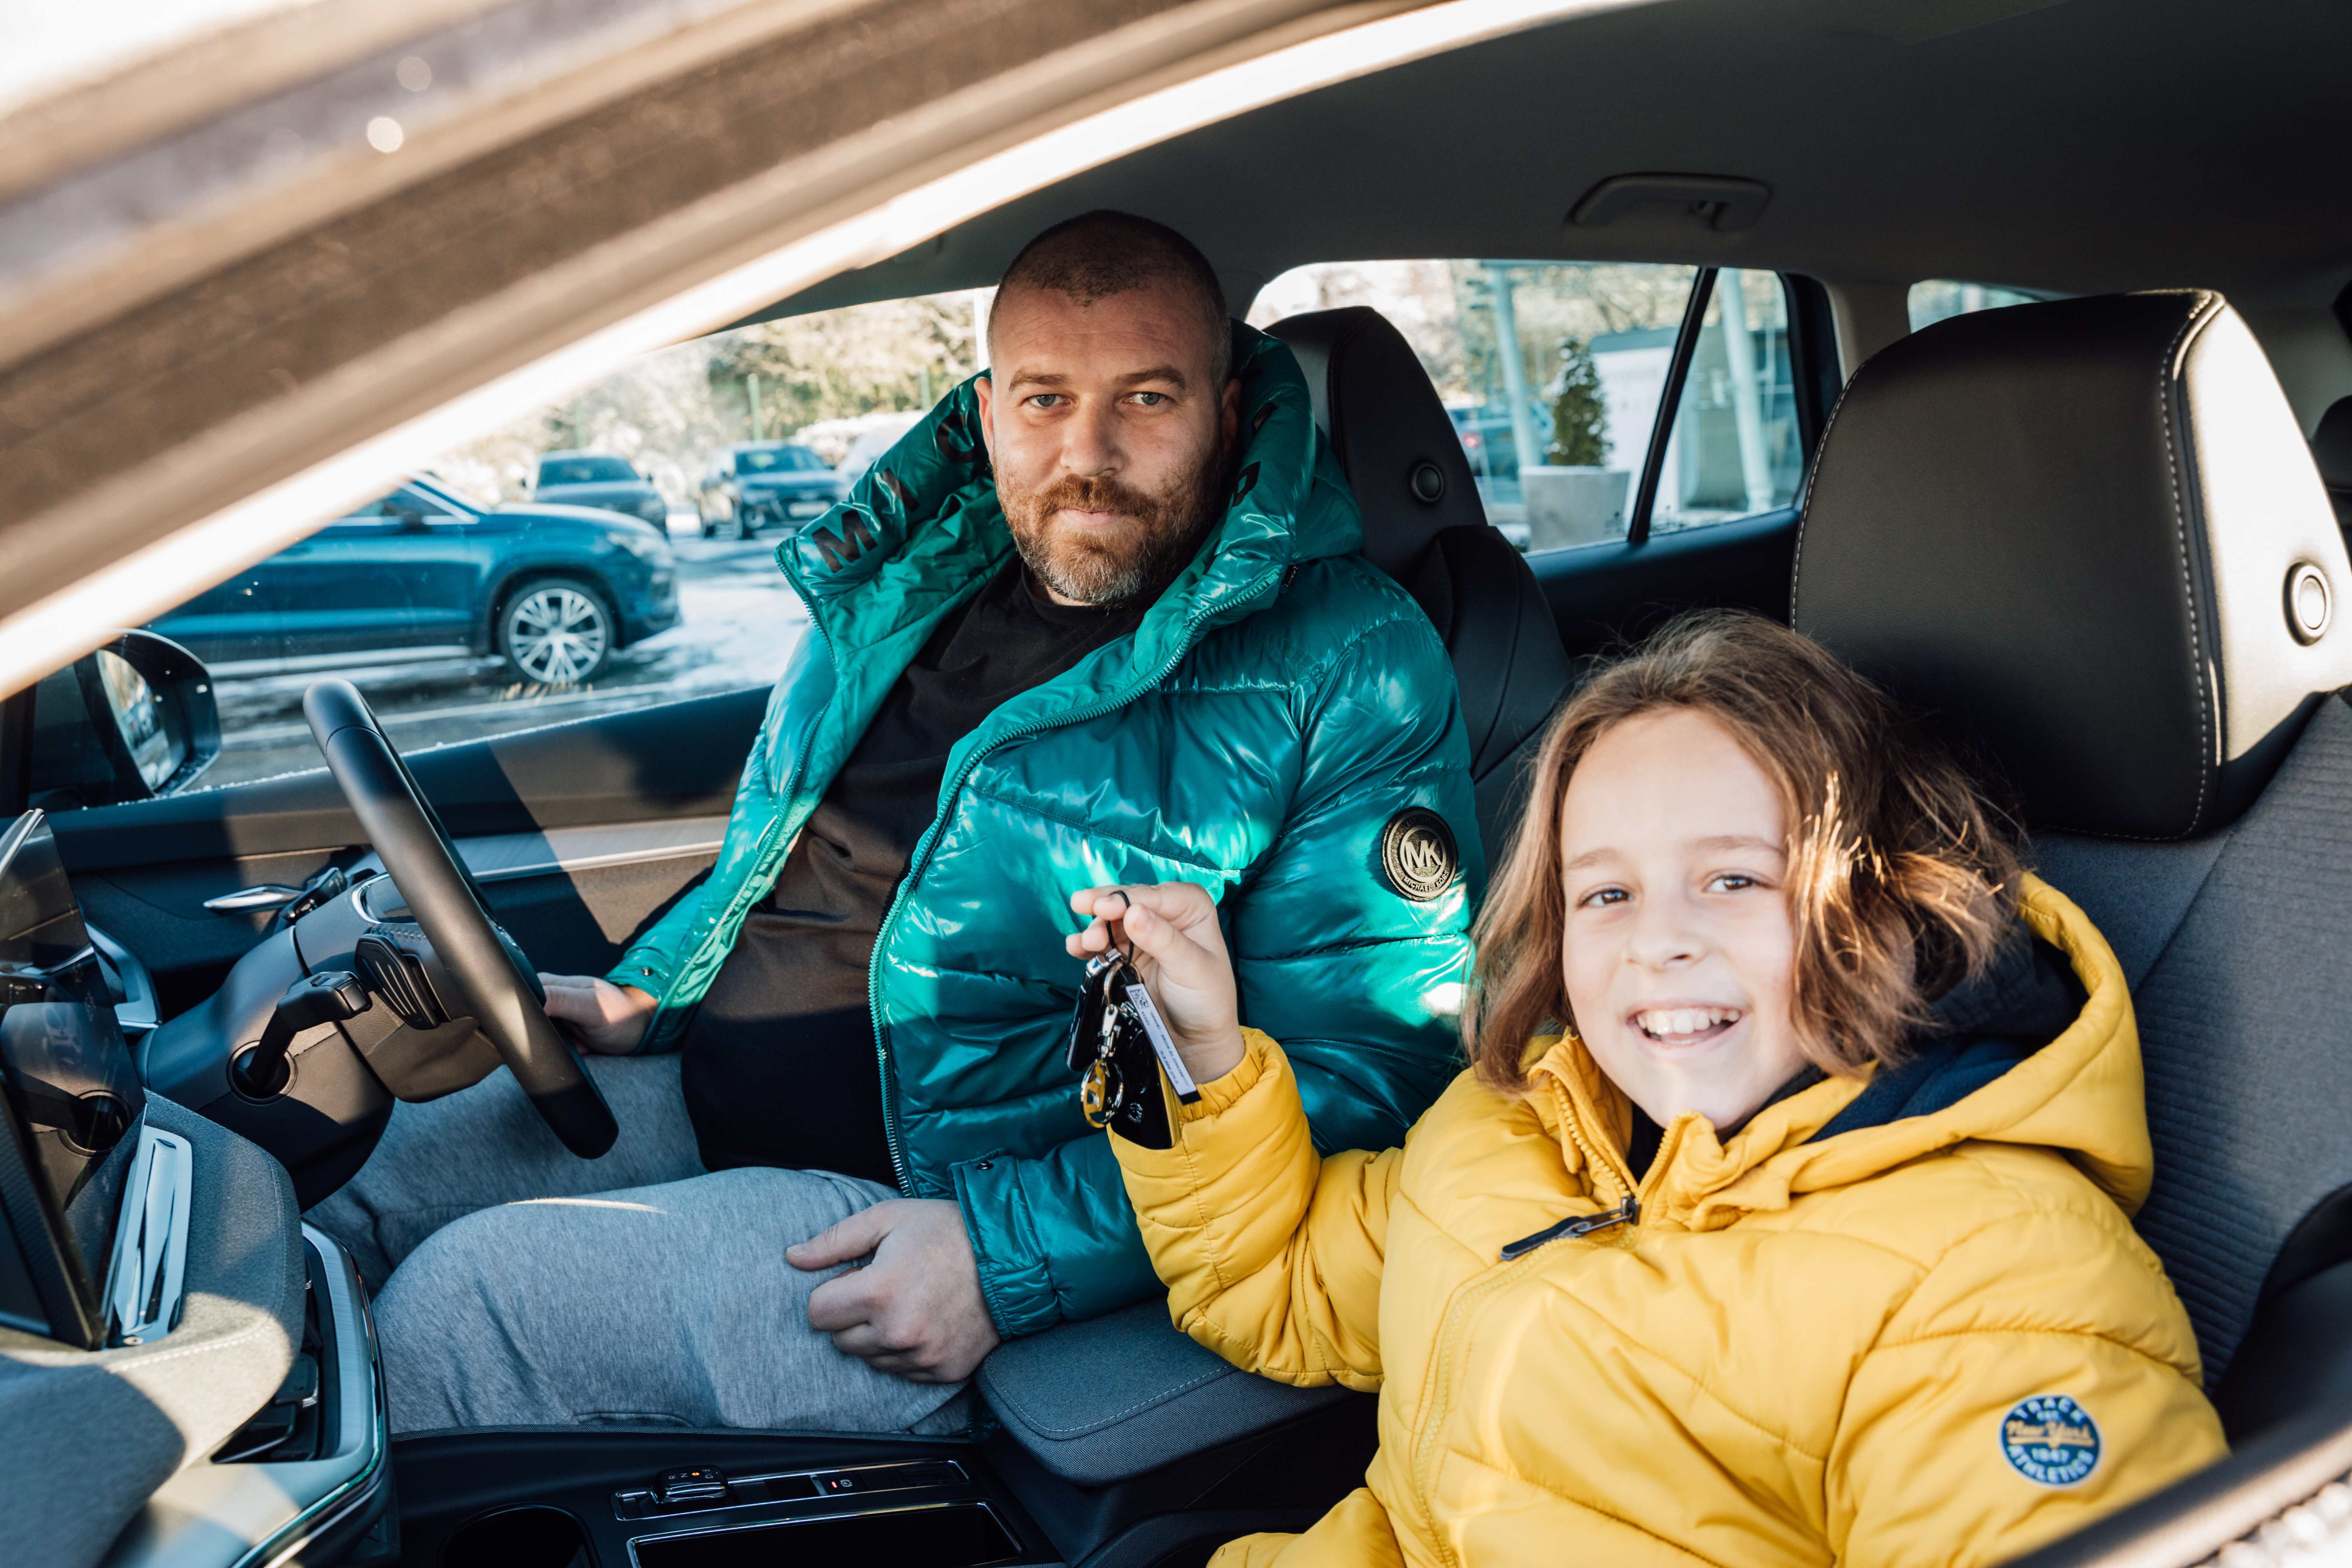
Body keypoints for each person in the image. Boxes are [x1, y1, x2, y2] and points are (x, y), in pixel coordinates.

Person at [311, 210, 1480, 1436]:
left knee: (460, 1319)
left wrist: (1004, 1254)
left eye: (1144, 398)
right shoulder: (911, 579)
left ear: (1229, 412)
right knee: (375, 1161)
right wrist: (650, 992)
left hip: (935, 1212)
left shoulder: (1349, 659)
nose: (1086, 452)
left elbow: (1378, 1070)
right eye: (1043, 400)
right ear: (985, 412)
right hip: (708, 1089)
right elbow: (786, 847)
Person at [1074, 611, 2227, 1567]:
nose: (1656, 944)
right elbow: (1281, 1286)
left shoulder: (1990, 1282)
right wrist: (1204, 1055)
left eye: (1731, 879)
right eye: (1606, 895)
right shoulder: (1515, 1119)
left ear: (1875, 904)